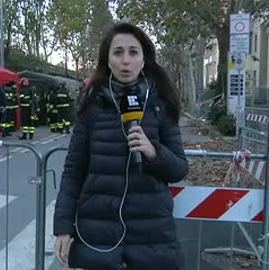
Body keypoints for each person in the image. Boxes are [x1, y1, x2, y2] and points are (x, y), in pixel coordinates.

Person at [54, 22, 188, 270]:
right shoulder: (91, 106)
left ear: (144, 59)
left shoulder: (161, 104)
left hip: (152, 237)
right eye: (118, 52)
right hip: (98, 235)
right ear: (107, 60)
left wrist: (153, 152)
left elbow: (179, 169)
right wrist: (63, 227)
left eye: (133, 52)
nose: (126, 60)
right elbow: (73, 172)